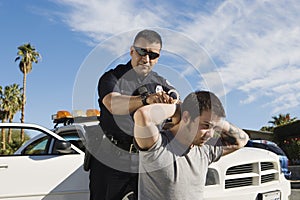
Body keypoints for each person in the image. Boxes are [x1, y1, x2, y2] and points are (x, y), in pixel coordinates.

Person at [89, 29, 178, 200]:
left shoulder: (162, 83)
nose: (146, 59)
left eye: (153, 55)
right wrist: (146, 100)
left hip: (148, 160)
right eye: (142, 51)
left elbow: (177, 106)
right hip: (112, 159)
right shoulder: (112, 77)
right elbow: (112, 104)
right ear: (132, 51)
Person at [133, 90, 249, 200]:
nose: (210, 134)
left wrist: (218, 122)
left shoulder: (205, 151)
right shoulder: (158, 145)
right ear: (186, 117)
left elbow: (242, 139)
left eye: (214, 128)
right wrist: (177, 108)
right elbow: (142, 115)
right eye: (205, 125)